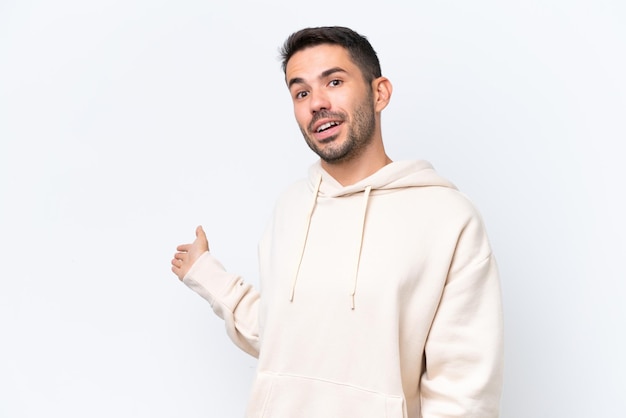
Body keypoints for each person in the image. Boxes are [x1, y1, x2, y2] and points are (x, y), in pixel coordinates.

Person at [171, 26, 503, 418]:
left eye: (334, 81)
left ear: (379, 93)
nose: (317, 103)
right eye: (302, 92)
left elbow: (463, 387)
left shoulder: (448, 218)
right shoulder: (291, 207)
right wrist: (208, 276)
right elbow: (282, 337)